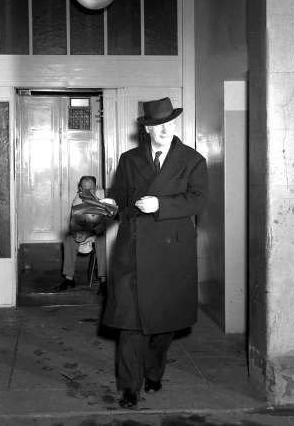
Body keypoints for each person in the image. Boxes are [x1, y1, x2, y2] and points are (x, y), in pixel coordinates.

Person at [101, 97, 209, 408]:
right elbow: (120, 192)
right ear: (146, 129)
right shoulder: (130, 158)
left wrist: (161, 204)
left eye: (169, 124)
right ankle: (130, 387)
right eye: (157, 125)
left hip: (171, 252)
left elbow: (199, 200)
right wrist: (112, 203)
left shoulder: (192, 160)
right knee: (130, 322)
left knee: (163, 324)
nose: (165, 130)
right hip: (133, 248)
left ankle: (154, 370)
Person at [56, 175, 108, 295]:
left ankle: (104, 282)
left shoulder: (104, 198)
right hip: (84, 231)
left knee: (102, 241)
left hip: (98, 232)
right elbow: (74, 222)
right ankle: (69, 279)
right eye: (84, 189)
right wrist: (77, 233)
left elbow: (106, 223)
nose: (87, 192)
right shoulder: (78, 199)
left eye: (91, 189)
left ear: (96, 188)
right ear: (80, 189)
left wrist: (90, 233)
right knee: (69, 240)